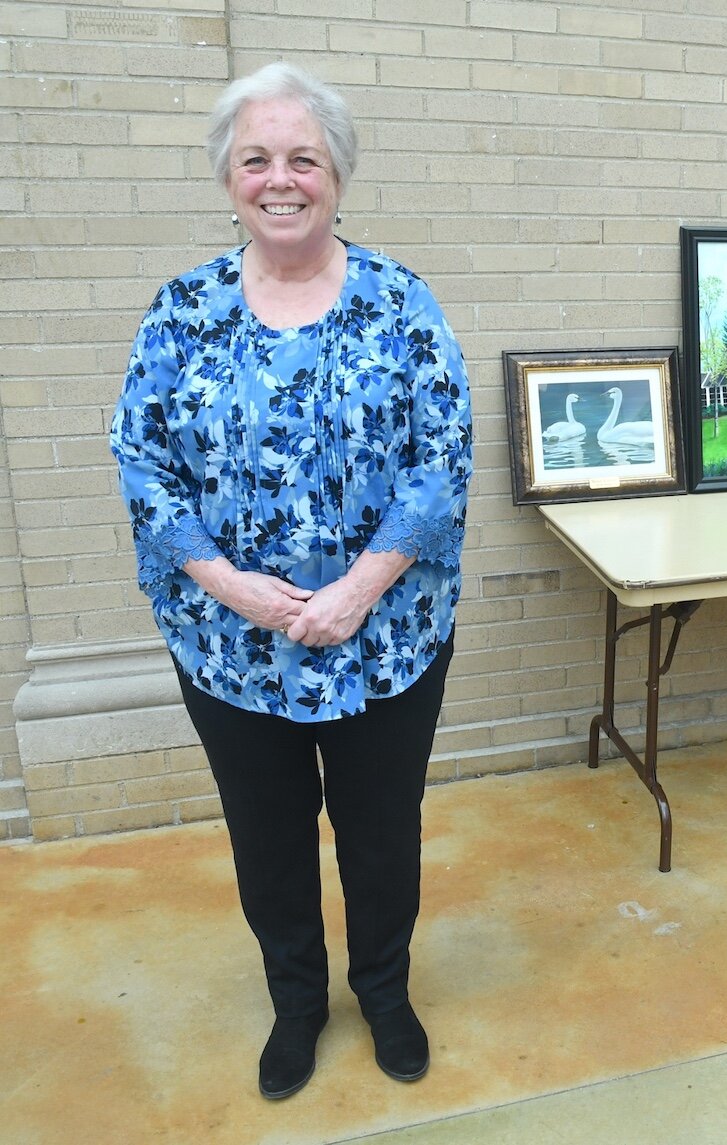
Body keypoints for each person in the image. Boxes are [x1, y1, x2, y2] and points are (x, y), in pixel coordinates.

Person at [109, 62, 472, 1101]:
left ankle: (385, 988)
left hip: (387, 633)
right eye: (256, 158)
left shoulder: (402, 301)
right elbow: (140, 457)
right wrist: (230, 586)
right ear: (228, 176)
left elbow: (441, 457)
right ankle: (298, 1000)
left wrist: (358, 587)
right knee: (266, 837)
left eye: (302, 158)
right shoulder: (181, 311)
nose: (280, 179)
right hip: (230, 641)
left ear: (337, 175)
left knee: (379, 829)